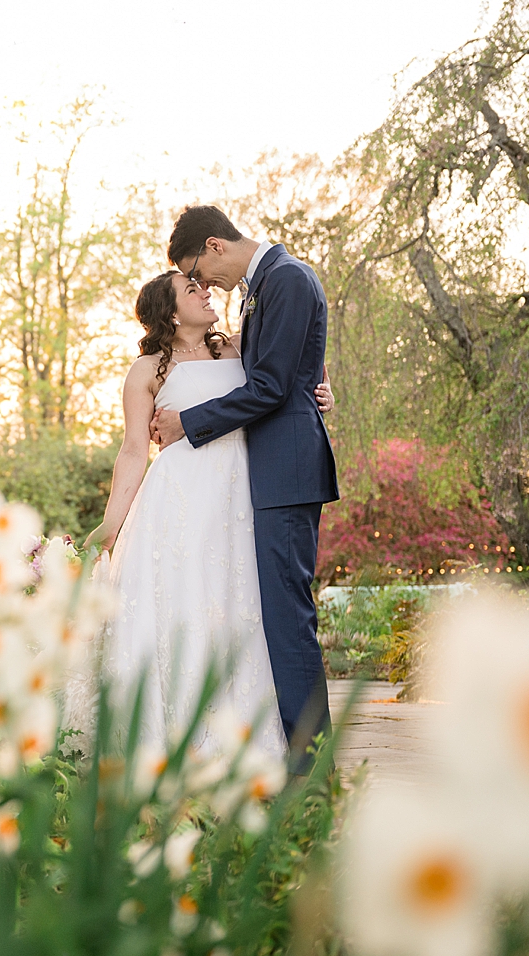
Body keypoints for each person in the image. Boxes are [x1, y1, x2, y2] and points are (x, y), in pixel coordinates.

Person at [68, 267, 333, 763]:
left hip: (241, 497)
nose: (205, 291)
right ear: (170, 312)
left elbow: (289, 368)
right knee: (186, 609)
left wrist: (323, 391)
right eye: (192, 290)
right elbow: (132, 450)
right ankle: (178, 741)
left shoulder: (234, 348)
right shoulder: (147, 371)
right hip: (179, 504)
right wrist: (111, 524)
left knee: (242, 609)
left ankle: (244, 742)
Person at [152, 206, 341, 772]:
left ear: (214, 245)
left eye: (198, 272)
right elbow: (289, 374)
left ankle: (312, 774)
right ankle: (300, 762)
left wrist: (191, 422)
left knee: (288, 621)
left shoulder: (285, 279)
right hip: (273, 472)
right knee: (280, 618)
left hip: (286, 473)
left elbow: (272, 387)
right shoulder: (266, 286)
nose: (205, 286)